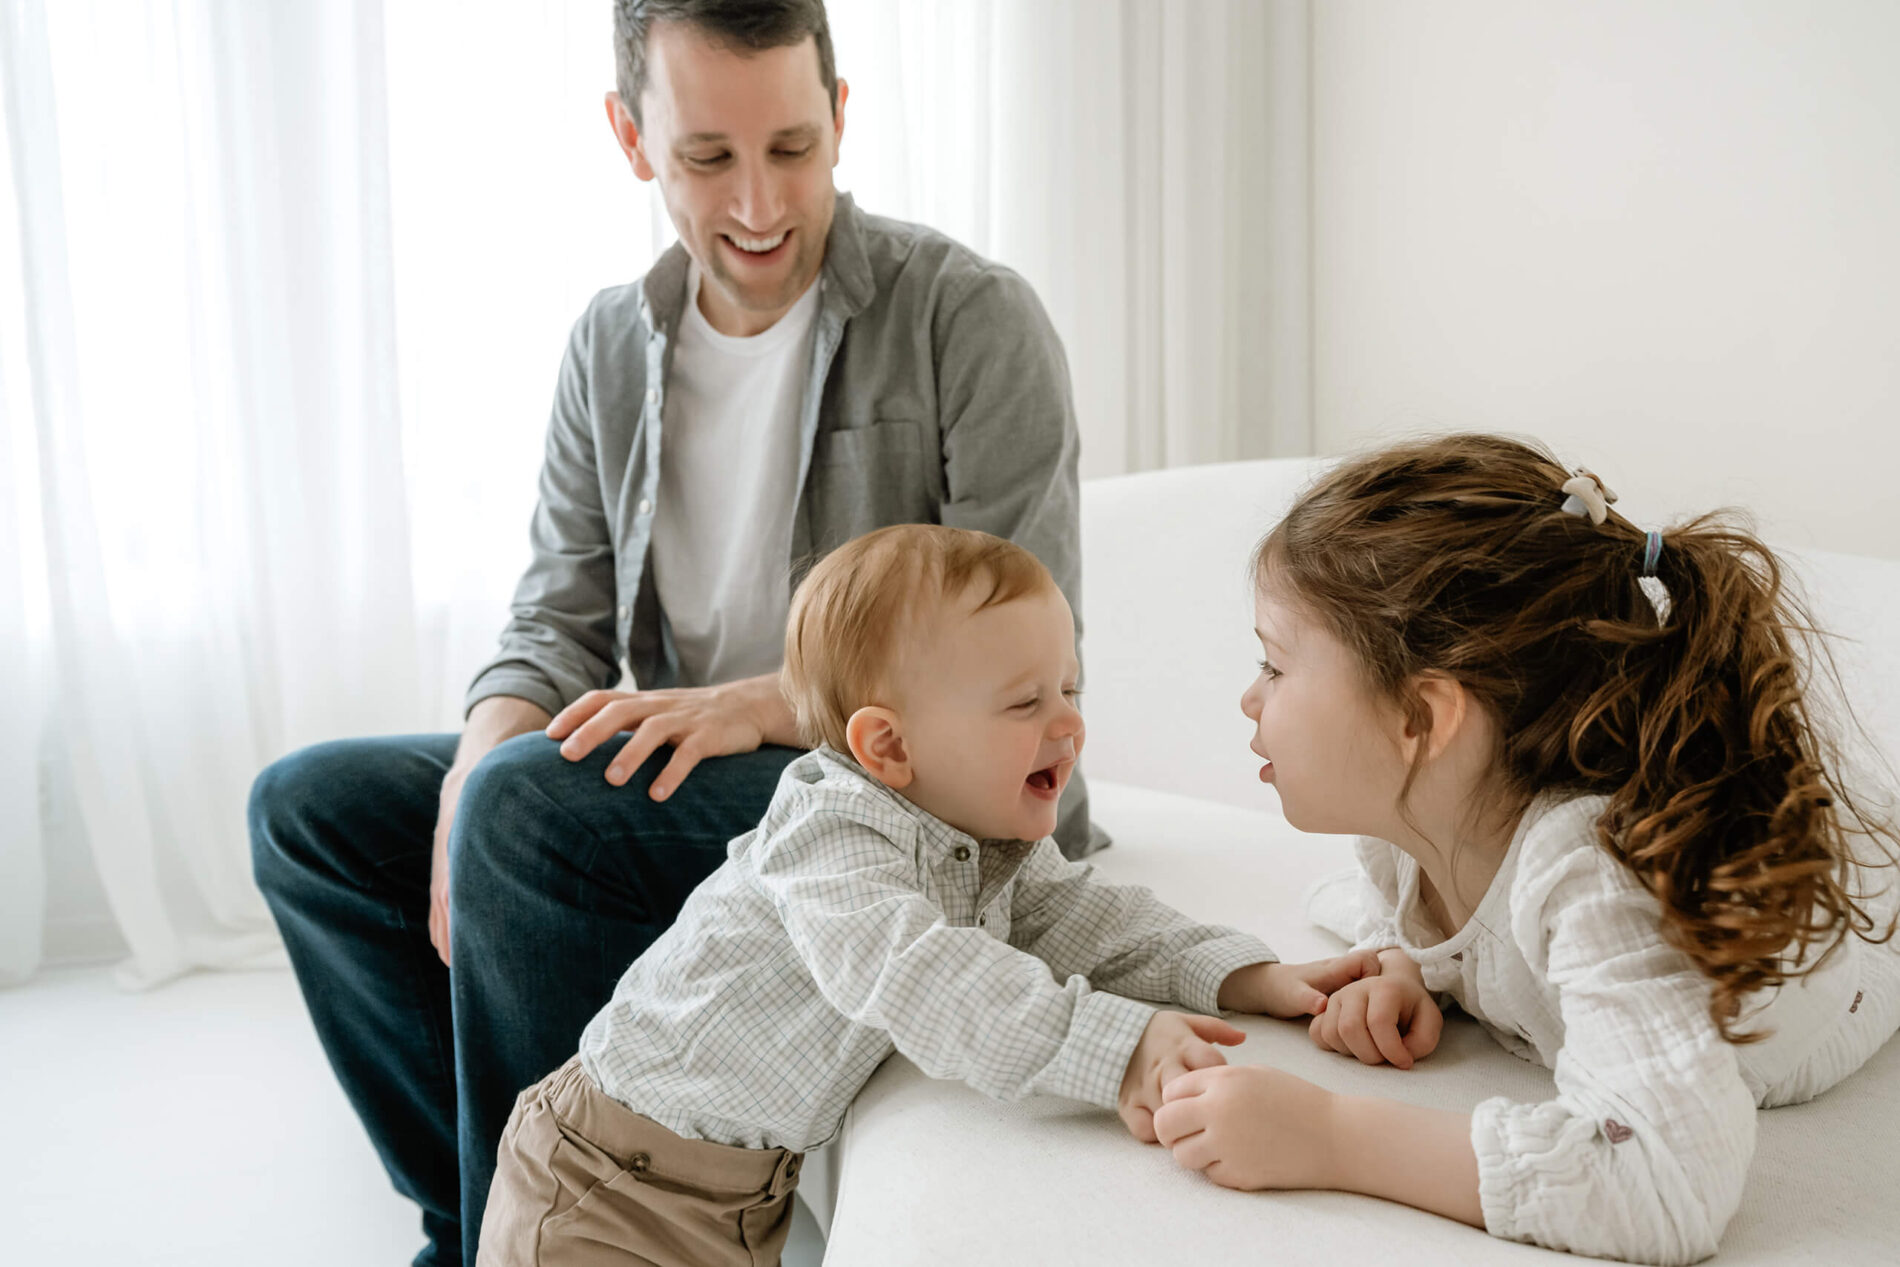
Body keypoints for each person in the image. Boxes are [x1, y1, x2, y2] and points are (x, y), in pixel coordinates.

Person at [247, 4, 1102, 1264]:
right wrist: (471, 769)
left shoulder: (966, 318)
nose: (760, 202)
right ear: (629, 135)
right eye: (707, 158)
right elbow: (556, 618)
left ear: (842, 115)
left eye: (794, 149)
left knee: (527, 811)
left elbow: (1024, 665)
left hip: (906, 798)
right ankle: (478, 1214)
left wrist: (760, 704)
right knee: (314, 809)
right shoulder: (611, 343)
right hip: (692, 783)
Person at [476, 524, 1378, 1267]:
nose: (1069, 722)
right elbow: (923, 977)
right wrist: (1117, 1049)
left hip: (738, 1201)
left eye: (1071, 688)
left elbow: (1097, 921)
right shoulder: (829, 835)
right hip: (604, 1190)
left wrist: (1245, 974)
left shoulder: (980, 843)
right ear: (889, 748)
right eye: (1025, 703)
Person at [1150, 433, 1900, 1265]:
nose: (1248, 697)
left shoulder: (1601, 881)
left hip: (1868, 925)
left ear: (1421, 720)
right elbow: (1454, 927)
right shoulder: (1405, 836)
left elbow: (1662, 1182)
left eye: (1275, 665)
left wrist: (1329, 1133)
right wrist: (1407, 965)